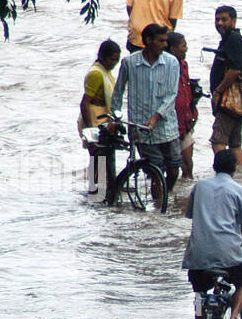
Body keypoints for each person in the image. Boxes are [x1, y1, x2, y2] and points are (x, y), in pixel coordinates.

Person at [183, 150, 242, 319]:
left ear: (214, 165)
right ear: (234, 168)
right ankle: (234, 317)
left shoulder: (199, 186)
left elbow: (190, 214)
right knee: (241, 282)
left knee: (199, 297)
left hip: (198, 256)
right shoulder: (239, 191)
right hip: (229, 256)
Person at [112, 22, 181, 201]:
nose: (165, 45)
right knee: (155, 172)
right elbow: (118, 92)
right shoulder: (130, 63)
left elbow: (172, 94)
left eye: (166, 41)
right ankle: (159, 208)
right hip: (141, 128)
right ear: (148, 40)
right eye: (161, 41)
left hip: (167, 127)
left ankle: (165, 195)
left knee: (174, 170)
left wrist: (157, 116)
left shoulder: (172, 63)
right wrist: (115, 117)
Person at [209, 5, 242, 165]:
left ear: (233, 21)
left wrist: (218, 92)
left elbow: (234, 70)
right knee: (235, 145)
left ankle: (225, 176)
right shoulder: (234, 38)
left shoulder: (233, 40)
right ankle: (240, 179)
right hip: (236, 103)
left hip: (228, 101)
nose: (220, 23)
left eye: (224, 20)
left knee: (218, 142)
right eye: (217, 19)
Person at [79, 40, 122, 194]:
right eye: (112, 59)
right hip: (95, 118)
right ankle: (96, 191)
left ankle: (102, 192)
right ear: (102, 57)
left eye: (117, 60)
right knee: (98, 157)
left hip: (103, 117)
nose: (114, 63)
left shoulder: (104, 71)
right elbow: (84, 103)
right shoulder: (96, 73)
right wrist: (90, 129)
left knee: (104, 156)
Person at [167, 31, 199, 179]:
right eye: (183, 46)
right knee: (170, 167)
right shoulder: (165, 67)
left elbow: (185, 92)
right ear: (173, 49)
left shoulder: (184, 65)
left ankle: (184, 197)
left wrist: (192, 114)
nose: (186, 49)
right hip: (170, 126)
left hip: (185, 123)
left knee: (188, 164)